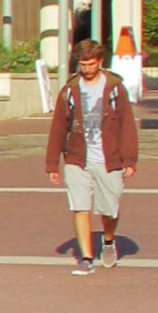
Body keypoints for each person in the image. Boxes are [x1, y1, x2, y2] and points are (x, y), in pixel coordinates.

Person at [46, 37, 138, 275]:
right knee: (80, 207)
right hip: (77, 157)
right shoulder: (70, 90)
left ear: (100, 62)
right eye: (83, 64)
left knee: (109, 210)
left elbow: (127, 124)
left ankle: (108, 240)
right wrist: (52, 163)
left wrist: (129, 159)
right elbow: (58, 126)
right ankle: (86, 257)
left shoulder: (115, 88)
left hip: (109, 158)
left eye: (91, 64)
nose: (86, 69)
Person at [111, 25, 144, 102]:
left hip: (121, 58)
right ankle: (132, 96)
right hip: (130, 58)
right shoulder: (133, 57)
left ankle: (126, 96)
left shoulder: (119, 54)